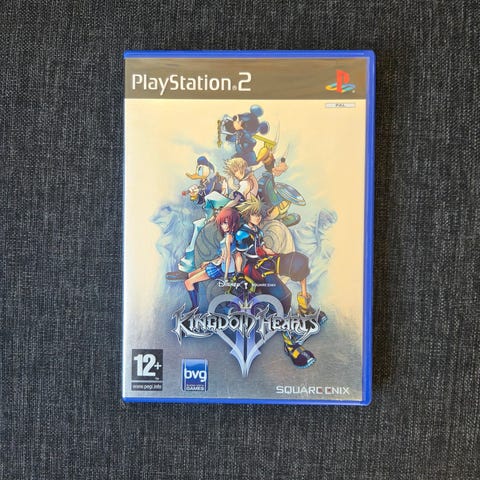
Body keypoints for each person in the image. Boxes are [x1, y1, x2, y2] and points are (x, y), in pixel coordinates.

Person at [184, 207, 241, 311]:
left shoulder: (228, 237)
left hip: (222, 268)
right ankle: (196, 303)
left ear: (233, 223)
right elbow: (223, 257)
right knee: (190, 275)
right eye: (222, 223)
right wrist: (209, 262)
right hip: (220, 264)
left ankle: (194, 309)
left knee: (188, 282)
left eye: (226, 223)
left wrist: (225, 277)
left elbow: (228, 257)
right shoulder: (228, 235)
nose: (223, 226)